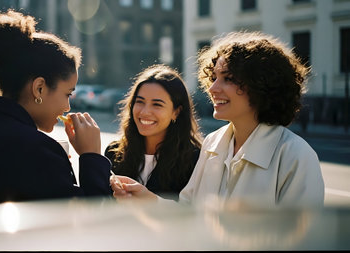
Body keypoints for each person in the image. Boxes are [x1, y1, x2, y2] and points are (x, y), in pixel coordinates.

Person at [110, 31, 325, 209]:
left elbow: (303, 240)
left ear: (262, 84)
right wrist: (146, 198)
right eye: (214, 78)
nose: (212, 88)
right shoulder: (212, 144)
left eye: (228, 79)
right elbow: (189, 213)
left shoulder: (296, 156)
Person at [0, 10, 111, 209]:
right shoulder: (39, 150)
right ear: (39, 88)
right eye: (67, 93)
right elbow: (92, 221)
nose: (67, 107)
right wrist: (91, 156)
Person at [105, 64, 203, 200]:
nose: (145, 112)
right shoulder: (114, 152)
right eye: (140, 102)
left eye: (157, 104)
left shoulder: (195, 160)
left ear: (176, 112)